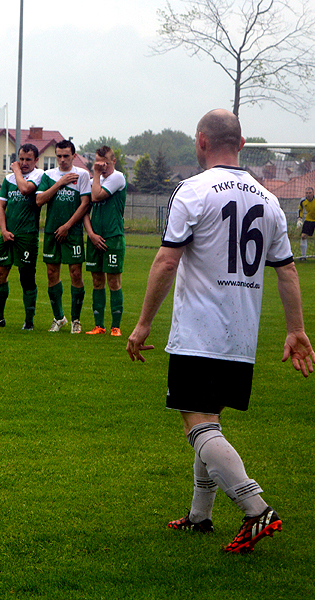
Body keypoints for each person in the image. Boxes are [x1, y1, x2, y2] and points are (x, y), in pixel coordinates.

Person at [127, 109, 315, 554]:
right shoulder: (269, 200)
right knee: (209, 420)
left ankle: (256, 509)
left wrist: (142, 323)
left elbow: (167, 260)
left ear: (201, 142)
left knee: (198, 423)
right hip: (241, 336)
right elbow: (287, 272)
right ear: (243, 143)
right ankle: (200, 515)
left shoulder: (192, 190)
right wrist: (296, 331)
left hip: (198, 332)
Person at [0, 144, 43, 330]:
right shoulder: (8, 180)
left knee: (26, 277)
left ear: (36, 161)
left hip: (27, 235)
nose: (23, 163)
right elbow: (1, 206)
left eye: (28, 159)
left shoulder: (39, 176)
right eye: (20, 159)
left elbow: (24, 189)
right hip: (8, 234)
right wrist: (4, 230)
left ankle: (29, 322)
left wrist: (16, 170)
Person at [36, 139, 91, 333]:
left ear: (74, 156)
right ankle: (59, 318)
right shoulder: (48, 175)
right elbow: (39, 200)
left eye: (66, 156)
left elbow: (85, 204)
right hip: (52, 231)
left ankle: (76, 320)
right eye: (58, 156)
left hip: (72, 232)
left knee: (76, 273)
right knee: (52, 273)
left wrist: (68, 226)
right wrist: (59, 183)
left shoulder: (82, 175)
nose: (62, 160)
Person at [83, 146, 127, 336]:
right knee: (96, 280)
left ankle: (115, 327)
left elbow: (96, 196)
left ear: (113, 161)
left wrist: (96, 174)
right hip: (94, 238)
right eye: (98, 163)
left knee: (114, 281)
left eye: (106, 163)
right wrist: (91, 234)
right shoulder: (94, 181)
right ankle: (98, 326)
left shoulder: (118, 177)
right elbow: (85, 209)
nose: (102, 167)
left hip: (113, 237)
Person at [298, 186, 315, 259]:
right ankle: (303, 256)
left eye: (310, 193)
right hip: (309, 219)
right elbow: (300, 209)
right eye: (307, 193)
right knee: (303, 236)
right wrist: (299, 218)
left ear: (313, 193)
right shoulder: (303, 200)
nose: (308, 194)